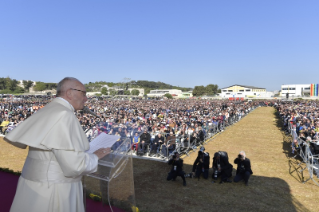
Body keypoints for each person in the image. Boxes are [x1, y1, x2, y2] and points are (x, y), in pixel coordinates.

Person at [4, 77, 111, 212]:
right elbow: (74, 165)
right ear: (69, 93)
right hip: (55, 190)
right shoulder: (64, 114)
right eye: (83, 94)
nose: (86, 99)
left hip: (36, 186)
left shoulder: (51, 109)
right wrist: (95, 156)